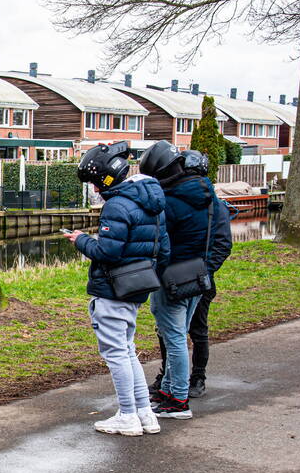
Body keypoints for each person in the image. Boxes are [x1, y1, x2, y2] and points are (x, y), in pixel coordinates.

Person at [64, 141, 170, 436]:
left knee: (116, 354)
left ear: (105, 179)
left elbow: (108, 252)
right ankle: (145, 414)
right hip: (137, 288)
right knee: (127, 350)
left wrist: (81, 240)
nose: (95, 190)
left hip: (113, 289)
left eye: (96, 184)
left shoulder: (117, 205)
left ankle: (127, 415)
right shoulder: (151, 201)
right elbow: (164, 251)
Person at [140, 141, 228, 418]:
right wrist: (206, 269)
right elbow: (217, 239)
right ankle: (168, 391)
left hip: (172, 276)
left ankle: (178, 400)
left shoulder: (171, 201)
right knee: (178, 334)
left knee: (175, 338)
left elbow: (159, 242)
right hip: (197, 276)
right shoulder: (207, 195)